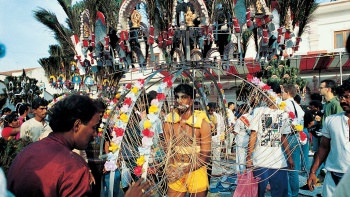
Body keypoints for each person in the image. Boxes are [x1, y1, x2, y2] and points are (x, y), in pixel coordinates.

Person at [7, 94, 100, 196]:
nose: (95, 134)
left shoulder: (26, 152)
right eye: (94, 127)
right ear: (77, 125)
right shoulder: (75, 167)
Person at [163, 84, 211, 197]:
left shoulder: (202, 124)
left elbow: (205, 156)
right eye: (177, 97)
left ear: (191, 100)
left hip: (196, 170)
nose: (179, 101)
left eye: (183, 97)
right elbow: (168, 150)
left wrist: (184, 170)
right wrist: (170, 168)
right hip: (175, 170)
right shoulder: (169, 123)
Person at [307, 80, 350, 197]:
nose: (342, 100)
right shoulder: (331, 120)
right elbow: (324, 147)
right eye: (341, 97)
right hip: (333, 177)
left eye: (347, 97)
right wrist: (313, 172)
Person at [246, 93, 292, 197]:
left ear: (278, 95)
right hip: (260, 161)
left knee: (280, 193)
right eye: (265, 95)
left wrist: (289, 157)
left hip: (278, 162)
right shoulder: (259, 111)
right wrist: (248, 156)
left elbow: (283, 137)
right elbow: (254, 134)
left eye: (270, 95)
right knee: (257, 192)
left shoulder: (284, 113)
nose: (267, 98)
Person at [281, 84, 304, 197]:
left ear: (287, 93)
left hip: (287, 136)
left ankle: (288, 194)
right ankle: (294, 193)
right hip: (296, 136)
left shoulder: (285, 104)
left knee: (286, 167)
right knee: (293, 167)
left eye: (282, 92)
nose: (281, 94)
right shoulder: (298, 106)